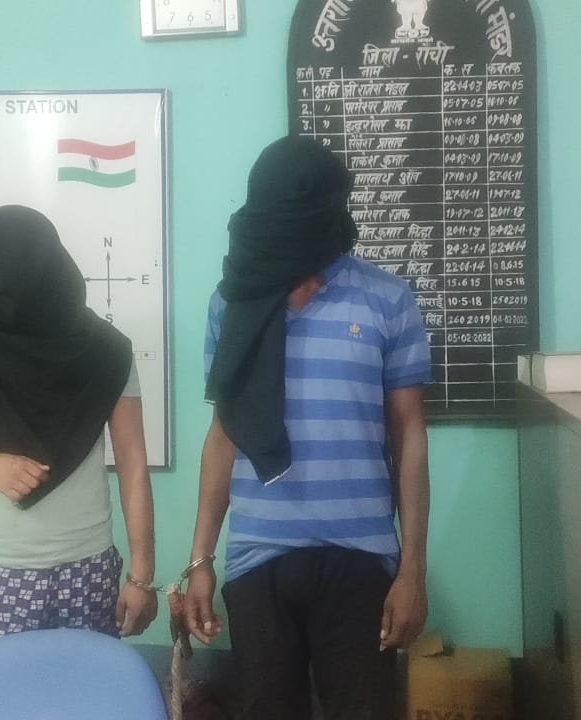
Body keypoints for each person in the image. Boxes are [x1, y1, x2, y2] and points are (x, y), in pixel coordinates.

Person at [183, 136, 432, 719]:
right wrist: (200, 560)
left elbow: (410, 437)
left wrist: (412, 570)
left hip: (362, 559)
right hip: (258, 559)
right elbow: (223, 434)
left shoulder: (386, 299)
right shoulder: (232, 303)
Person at [0, 204, 156, 668]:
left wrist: (142, 576)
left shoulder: (107, 351)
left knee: (85, 699)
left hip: (85, 566)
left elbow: (133, 464)